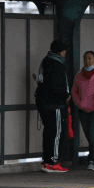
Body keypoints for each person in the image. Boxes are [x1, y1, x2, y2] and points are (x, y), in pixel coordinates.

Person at [36, 39, 71, 172]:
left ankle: (46, 161)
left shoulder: (45, 61)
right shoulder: (57, 64)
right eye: (64, 51)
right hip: (54, 104)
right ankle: (53, 161)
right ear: (61, 52)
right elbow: (57, 86)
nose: (65, 53)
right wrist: (65, 95)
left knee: (48, 132)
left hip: (43, 103)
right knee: (56, 132)